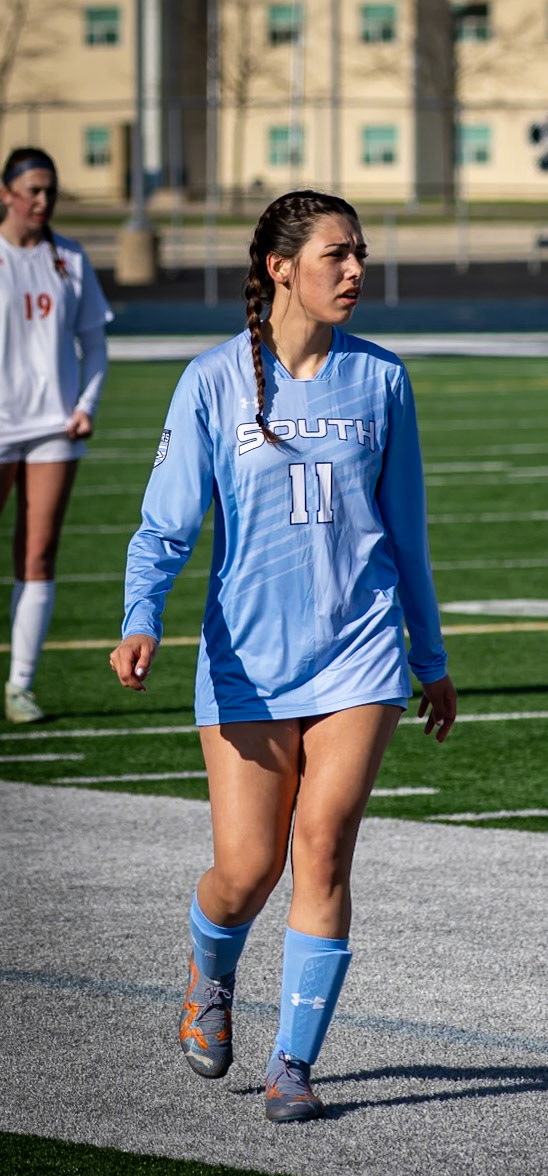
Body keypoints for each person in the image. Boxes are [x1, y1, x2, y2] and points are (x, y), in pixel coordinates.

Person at [110, 190, 457, 1122]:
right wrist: (142, 618)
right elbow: (164, 527)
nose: (356, 270)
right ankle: (209, 974)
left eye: (360, 253)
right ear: (280, 268)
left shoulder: (382, 378)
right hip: (248, 662)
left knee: (323, 847)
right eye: (337, 254)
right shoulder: (212, 381)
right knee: (246, 870)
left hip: (360, 653)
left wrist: (429, 658)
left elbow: (407, 536)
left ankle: (294, 1066)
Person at [0, 147, 111, 723]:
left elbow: (94, 342)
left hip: (54, 428)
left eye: (50, 190)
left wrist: (85, 405)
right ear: (7, 194)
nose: (43, 200)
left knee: (38, 554)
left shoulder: (69, 256)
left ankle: (20, 686)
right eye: (33, 190)